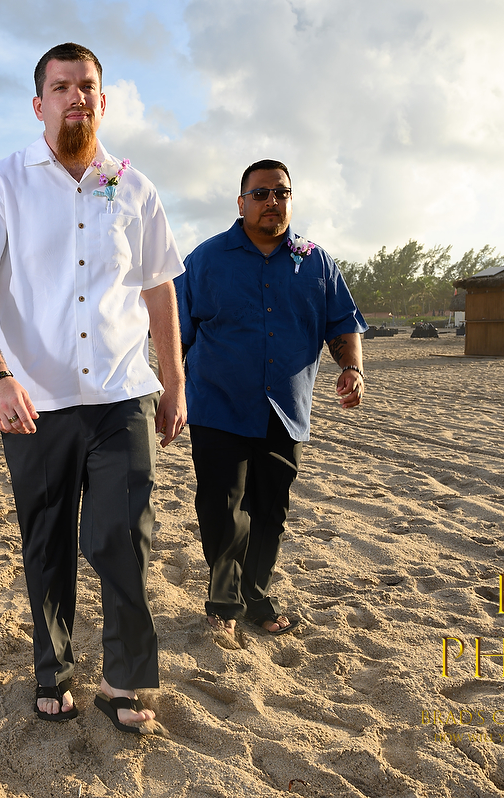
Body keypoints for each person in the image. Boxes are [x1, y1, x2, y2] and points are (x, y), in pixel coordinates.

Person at [0, 43, 186, 734]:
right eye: (61, 87)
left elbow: (159, 289)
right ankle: (52, 667)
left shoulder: (135, 188)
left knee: (124, 536)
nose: (76, 96)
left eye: (87, 86)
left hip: (122, 393)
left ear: (103, 102)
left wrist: (175, 381)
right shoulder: (1, 182)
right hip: (35, 402)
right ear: (39, 103)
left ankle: (123, 678)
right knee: (46, 539)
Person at [176, 159, 366, 638]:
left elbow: (342, 321)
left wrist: (352, 368)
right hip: (218, 404)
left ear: (290, 200)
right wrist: (171, 391)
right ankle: (224, 603)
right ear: (241, 203)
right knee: (222, 509)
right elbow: (175, 331)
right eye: (260, 193)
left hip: (285, 406)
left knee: (270, 511)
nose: (271, 201)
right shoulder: (205, 259)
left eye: (281, 192)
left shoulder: (316, 262)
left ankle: (255, 595)